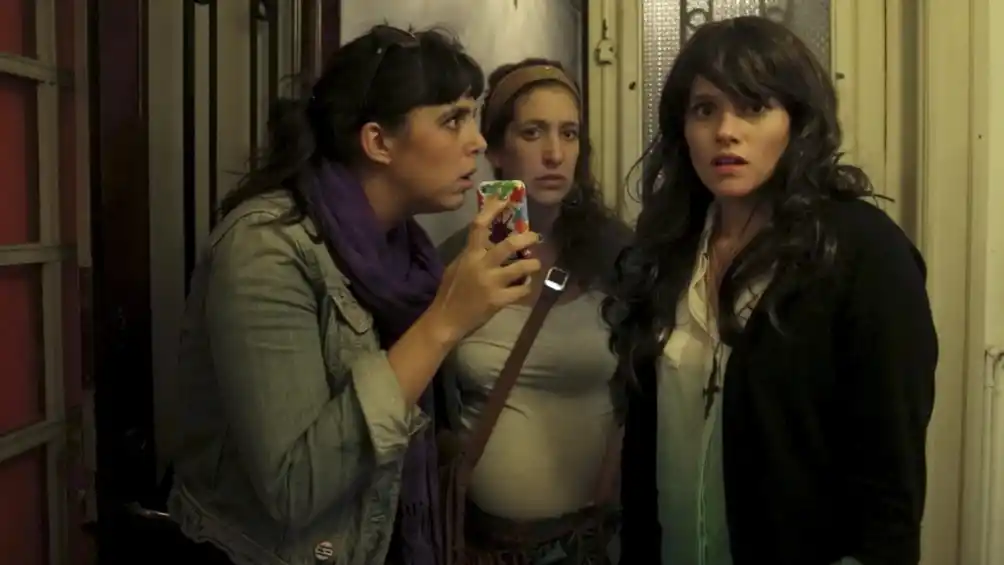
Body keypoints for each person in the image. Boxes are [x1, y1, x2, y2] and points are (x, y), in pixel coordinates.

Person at [165, 25, 543, 565]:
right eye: (452, 119)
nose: (478, 142)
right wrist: (443, 323)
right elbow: (294, 487)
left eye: (473, 116)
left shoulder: (405, 252)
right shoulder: (266, 247)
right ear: (378, 142)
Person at [601, 16, 937, 565]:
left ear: (797, 122)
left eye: (754, 107)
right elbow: (643, 446)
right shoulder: (667, 250)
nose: (725, 131)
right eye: (705, 109)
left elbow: (890, 479)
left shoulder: (863, 253)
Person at [437, 58, 631, 563]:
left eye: (569, 134)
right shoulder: (458, 263)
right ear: (497, 149)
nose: (554, 153)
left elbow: (647, 378)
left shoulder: (617, 257)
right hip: (483, 543)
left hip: (591, 541)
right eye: (533, 132)